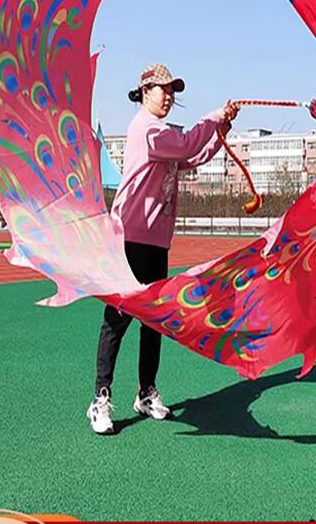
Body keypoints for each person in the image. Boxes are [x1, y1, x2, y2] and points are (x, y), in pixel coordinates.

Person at [87, 63, 238, 435]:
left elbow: (194, 156)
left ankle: (146, 392)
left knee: (154, 320)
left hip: (156, 240)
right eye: (163, 89)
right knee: (118, 319)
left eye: (173, 91)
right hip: (130, 237)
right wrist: (213, 116)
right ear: (144, 91)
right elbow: (186, 143)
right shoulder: (146, 129)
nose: (169, 96)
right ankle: (100, 399)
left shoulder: (164, 135)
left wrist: (221, 130)